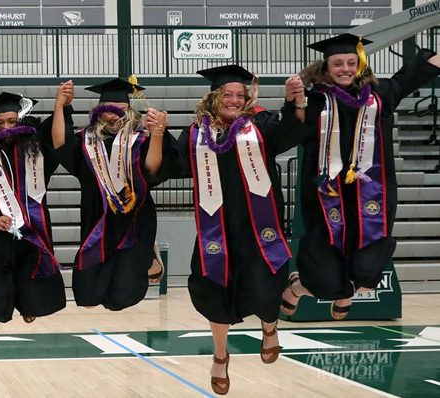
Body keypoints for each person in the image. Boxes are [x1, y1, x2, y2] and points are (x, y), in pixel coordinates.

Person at [172, 65, 309, 395]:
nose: (234, 100)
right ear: (214, 97)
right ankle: (220, 356)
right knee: (214, 291)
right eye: (227, 94)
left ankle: (270, 328)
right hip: (216, 232)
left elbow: (292, 131)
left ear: (248, 99)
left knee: (266, 285)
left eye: (240, 95)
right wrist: (157, 134)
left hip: (258, 228)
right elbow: (173, 164)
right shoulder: (196, 133)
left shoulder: (260, 125)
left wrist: (297, 103)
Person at [284, 33, 440, 320]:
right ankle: (296, 289)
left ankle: (347, 290)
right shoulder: (316, 101)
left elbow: (413, 74)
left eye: (351, 62)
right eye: (338, 63)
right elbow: (292, 130)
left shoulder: (379, 97)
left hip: (372, 197)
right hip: (327, 200)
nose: (345, 68)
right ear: (326, 68)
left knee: (368, 274)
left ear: (360, 65)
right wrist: (294, 102)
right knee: (327, 281)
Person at [50, 78, 173, 311]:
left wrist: (157, 134)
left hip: (135, 219)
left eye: (122, 110)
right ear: (99, 111)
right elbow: (59, 145)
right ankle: (148, 259)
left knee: (122, 296)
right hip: (97, 217)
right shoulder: (86, 142)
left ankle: (147, 258)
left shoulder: (140, 139)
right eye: (110, 111)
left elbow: (152, 170)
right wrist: (59, 105)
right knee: (86, 295)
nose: (115, 116)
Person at [0, 92, 66, 327]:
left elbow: (58, 141)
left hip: (31, 232)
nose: (6, 127)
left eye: (12, 122)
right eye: (1, 123)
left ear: (22, 124)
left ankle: (31, 305)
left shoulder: (36, 156)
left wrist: (60, 105)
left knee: (31, 278)